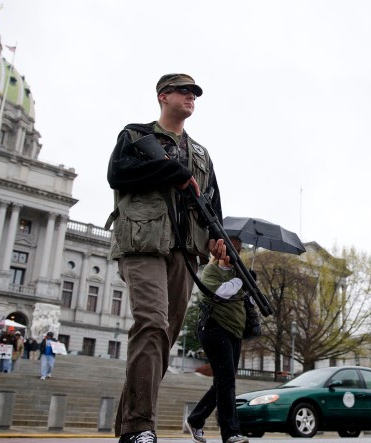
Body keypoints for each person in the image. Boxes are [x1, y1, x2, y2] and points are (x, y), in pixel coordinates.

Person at [106, 73, 226, 443]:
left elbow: (214, 204)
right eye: (184, 91)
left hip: (184, 251)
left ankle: (127, 427)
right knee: (152, 324)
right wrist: (169, 170)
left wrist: (219, 238)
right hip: (143, 243)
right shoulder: (135, 134)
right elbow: (117, 174)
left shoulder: (202, 153)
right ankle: (141, 427)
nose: (191, 97)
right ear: (163, 96)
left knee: (163, 337)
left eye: (195, 93)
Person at [186, 238, 250, 443]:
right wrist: (241, 281)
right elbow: (222, 292)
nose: (234, 254)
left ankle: (196, 419)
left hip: (234, 331)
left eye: (238, 250)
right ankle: (230, 432)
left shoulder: (239, 273)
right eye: (231, 249)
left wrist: (248, 280)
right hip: (214, 329)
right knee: (226, 380)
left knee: (224, 380)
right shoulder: (210, 271)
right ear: (219, 249)